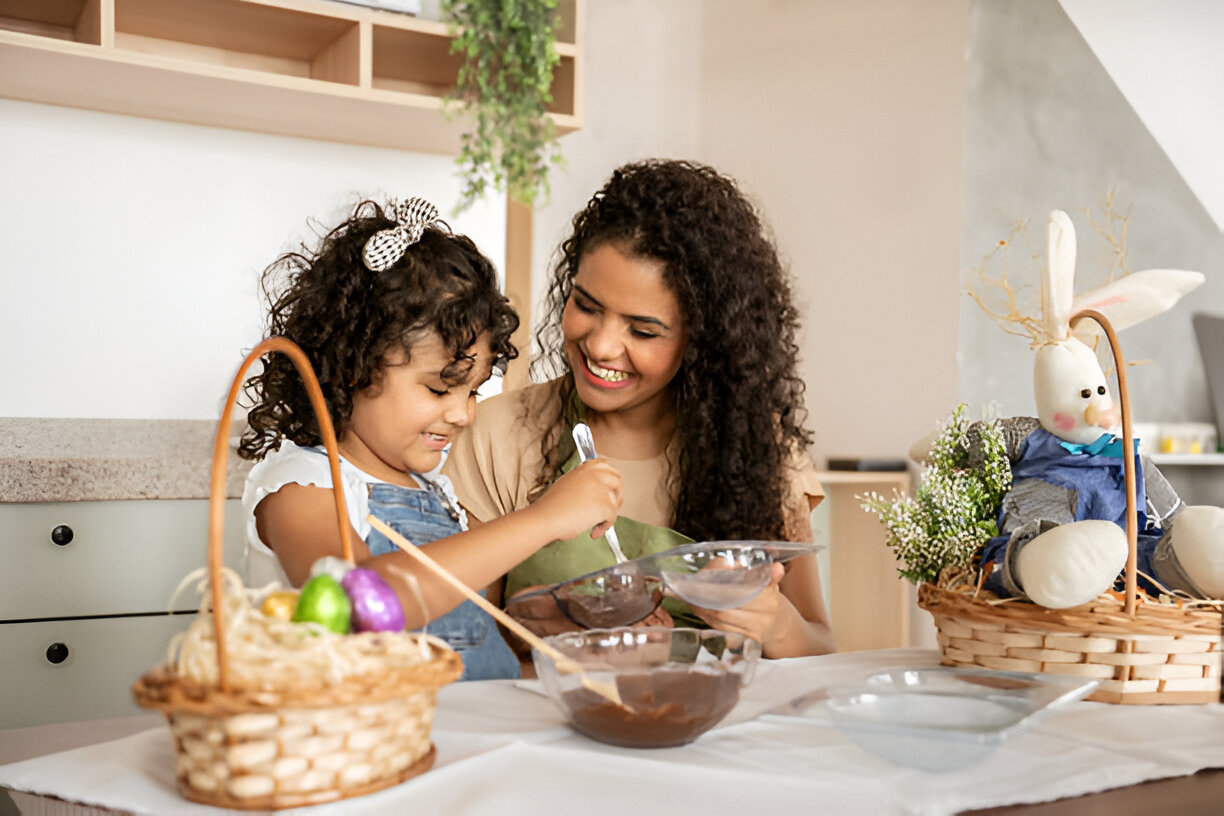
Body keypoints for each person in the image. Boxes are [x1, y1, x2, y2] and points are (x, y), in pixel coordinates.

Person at [444, 160, 834, 658]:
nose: (602, 345)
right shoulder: (500, 434)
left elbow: (822, 650)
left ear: (703, 342)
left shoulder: (763, 451)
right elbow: (460, 646)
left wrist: (774, 623)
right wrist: (538, 633)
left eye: (643, 331)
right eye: (586, 305)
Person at [237, 196, 622, 680]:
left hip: (472, 734)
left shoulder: (439, 493)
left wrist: (563, 625)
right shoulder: (302, 487)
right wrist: (544, 519)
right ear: (352, 367)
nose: (463, 414)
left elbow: (482, 646)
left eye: (474, 390)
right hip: (373, 742)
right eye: (440, 387)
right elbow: (358, 607)